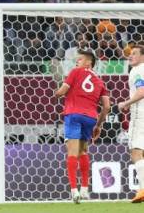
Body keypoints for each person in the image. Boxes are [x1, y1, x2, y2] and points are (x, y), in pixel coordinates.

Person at [55, 49, 110, 204]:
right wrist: (98, 125)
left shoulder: (76, 72)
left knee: (72, 153)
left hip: (73, 114)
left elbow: (63, 90)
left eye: (79, 59)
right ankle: (85, 189)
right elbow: (106, 107)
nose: (76, 62)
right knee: (83, 151)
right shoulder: (100, 82)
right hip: (91, 118)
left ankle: (74, 191)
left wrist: (56, 93)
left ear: (88, 62)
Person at [118, 44, 144, 203]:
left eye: (134, 53)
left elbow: (141, 91)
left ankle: (143, 189)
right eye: (129, 53)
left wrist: (125, 103)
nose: (130, 55)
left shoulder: (137, 71)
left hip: (140, 115)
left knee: (135, 151)